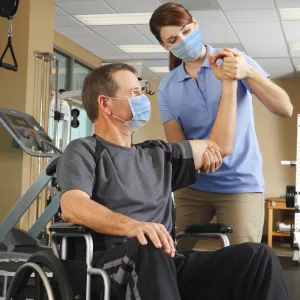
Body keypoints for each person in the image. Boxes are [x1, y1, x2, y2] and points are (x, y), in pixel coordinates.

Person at [56, 63, 291, 300]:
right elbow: (72, 206)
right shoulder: (84, 150)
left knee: (258, 257)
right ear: (105, 103)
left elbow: (219, 147)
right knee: (149, 244)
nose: (142, 99)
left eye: (141, 92)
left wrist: (229, 83)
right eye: (134, 93)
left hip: (165, 262)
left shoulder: (158, 153)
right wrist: (132, 226)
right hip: (112, 266)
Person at [149, 2, 293, 248]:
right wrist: (204, 158)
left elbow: (285, 108)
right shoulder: (167, 86)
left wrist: (248, 72)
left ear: (195, 24)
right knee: (171, 255)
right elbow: (178, 145)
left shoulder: (234, 61)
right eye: (173, 39)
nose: (183, 41)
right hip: (192, 185)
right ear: (165, 46)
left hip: (240, 184)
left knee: (243, 261)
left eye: (186, 31)